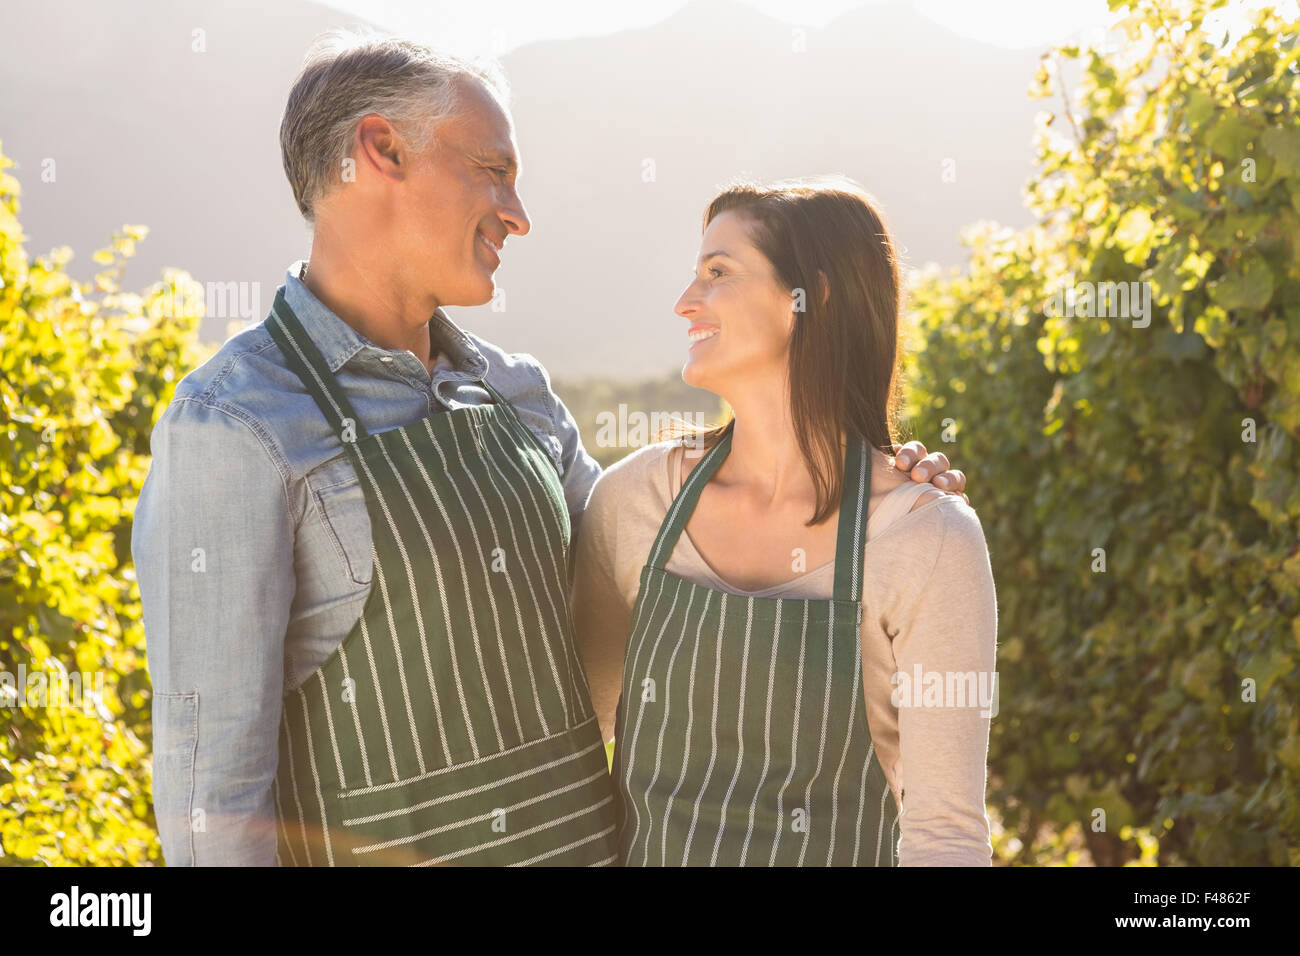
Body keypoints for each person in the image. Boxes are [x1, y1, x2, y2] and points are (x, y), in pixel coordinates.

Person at [132, 31, 966, 866]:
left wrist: (880, 487)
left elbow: (667, 577)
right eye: (493, 170)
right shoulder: (236, 426)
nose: (518, 214)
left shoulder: (516, 395)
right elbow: (214, 804)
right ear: (380, 150)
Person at [573, 178, 997, 866]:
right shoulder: (635, 503)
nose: (686, 301)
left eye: (718, 273)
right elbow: (575, 744)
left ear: (813, 299)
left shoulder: (928, 539)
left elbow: (944, 833)